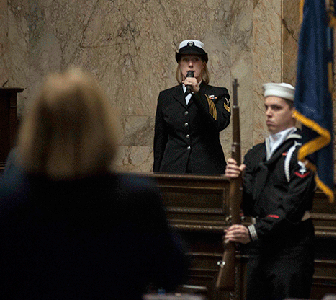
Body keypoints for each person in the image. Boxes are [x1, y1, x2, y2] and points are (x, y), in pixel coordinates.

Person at [0, 67, 188, 300]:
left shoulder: (9, 199)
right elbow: (173, 273)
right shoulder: (138, 199)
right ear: (101, 126)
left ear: (36, 128)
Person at [223, 83, 316, 300]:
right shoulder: (256, 153)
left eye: (276, 108)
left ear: (294, 112)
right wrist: (236, 183)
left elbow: (291, 207)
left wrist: (252, 232)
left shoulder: (304, 152)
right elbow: (248, 205)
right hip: (260, 248)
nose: (268, 113)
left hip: (290, 249)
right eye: (266, 107)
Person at [153, 39, 230, 175]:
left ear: (203, 64)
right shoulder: (166, 97)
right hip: (173, 170)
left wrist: (198, 94)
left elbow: (219, 123)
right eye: (185, 60)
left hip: (207, 171)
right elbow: (160, 140)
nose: (190, 64)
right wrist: (157, 176)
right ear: (179, 64)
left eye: (195, 60)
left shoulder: (218, 93)